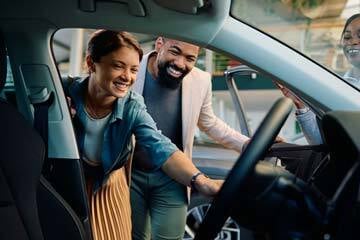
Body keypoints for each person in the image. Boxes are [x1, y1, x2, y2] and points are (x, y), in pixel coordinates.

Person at [66, 30, 222, 240]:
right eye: (118, 66)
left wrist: (199, 180)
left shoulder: (132, 105)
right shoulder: (64, 91)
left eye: (133, 70)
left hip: (109, 190)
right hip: (71, 186)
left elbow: (160, 146)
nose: (127, 77)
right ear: (92, 63)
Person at [130, 37, 250, 240]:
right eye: (174, 52)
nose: (180, 63)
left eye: (190, 58)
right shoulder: (132, 66)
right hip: (130, 174)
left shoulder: (201, 80)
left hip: (174, 177)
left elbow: (209, 123)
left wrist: (247, 144)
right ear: (160, 44)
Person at [278, 13, 360, 145]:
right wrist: (302, 106)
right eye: (347, 37)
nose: (353, 42)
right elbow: (320, 143)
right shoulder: (339, 86)